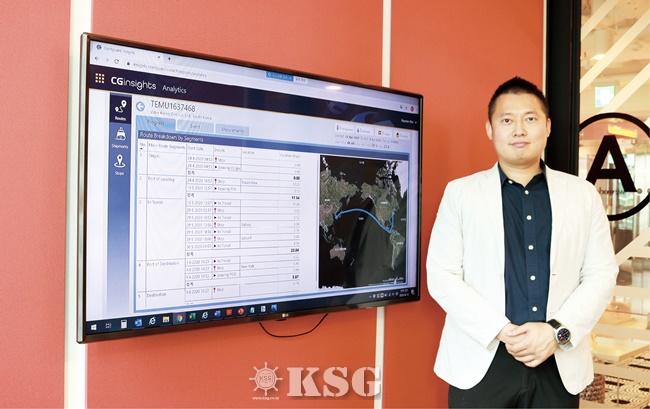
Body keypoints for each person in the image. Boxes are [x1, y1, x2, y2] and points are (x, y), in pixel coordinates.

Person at [426, 77, 618, 408]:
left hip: (557, 361)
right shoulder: (460, 194)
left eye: (530, 119)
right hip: (482, 360)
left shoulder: (582, 195)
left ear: (547, 127)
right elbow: (442, 275)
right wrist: (502, 330)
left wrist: (556, 332)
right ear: (490, 129)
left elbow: (601, 274)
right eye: (507, 120)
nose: (519, 130)